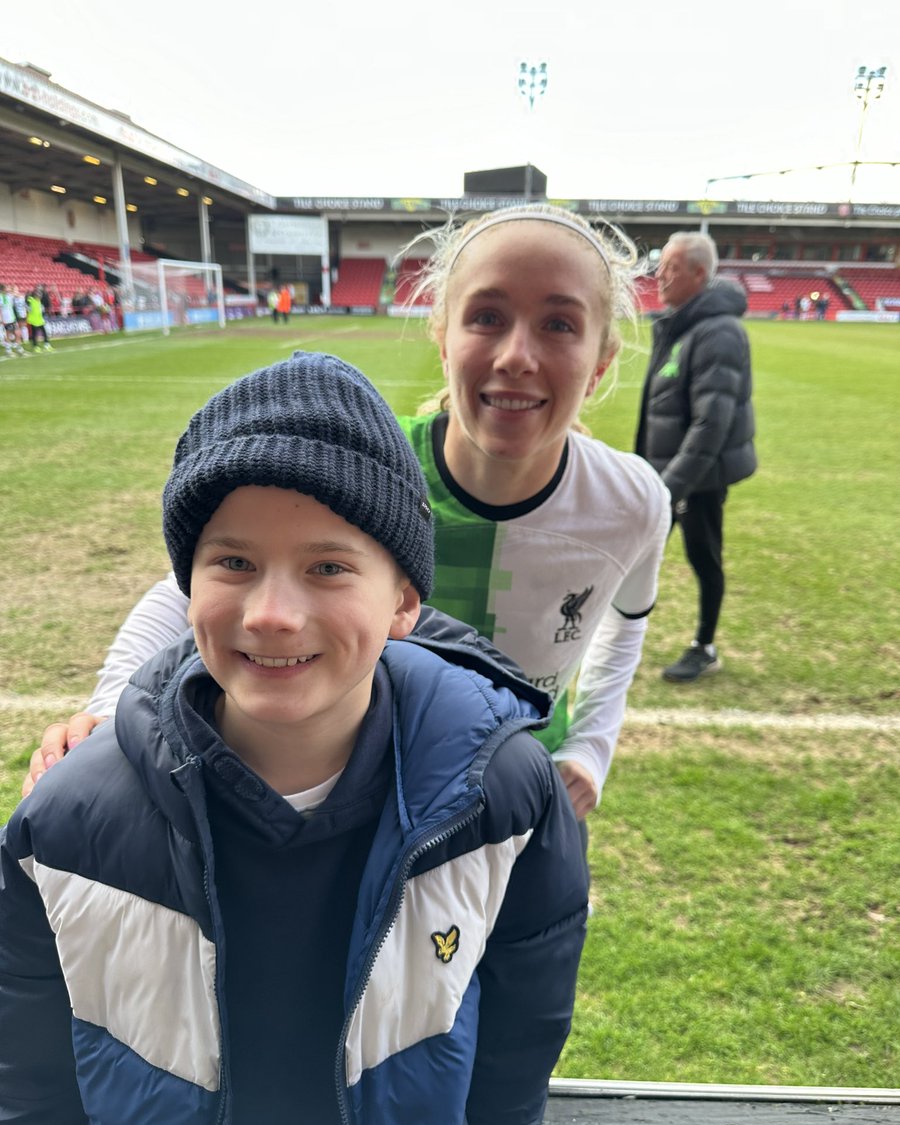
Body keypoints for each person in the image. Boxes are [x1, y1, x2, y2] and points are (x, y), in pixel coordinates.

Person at [0, 352, 588, 1125]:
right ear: (187, 581)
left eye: (328, 567)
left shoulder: (506, 801)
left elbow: (515, 1059)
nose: (272, 613)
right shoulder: (63, 828)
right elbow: (29, 1094)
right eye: (233, 562)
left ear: (402, 602)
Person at [23, 204, 671, 825]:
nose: (515, 356)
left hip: (522, 784)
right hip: (361, 789)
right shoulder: (361, 468)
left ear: (600, 363)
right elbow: (191, 588)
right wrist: (109, 710)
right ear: (442, 337)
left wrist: (591, 745)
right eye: (487, 317)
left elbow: (628, 620)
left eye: (559, 324)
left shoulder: (633, 502)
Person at [635, 231, 756, 682]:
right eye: (660, 265)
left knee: (704, 558)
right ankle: (617, 637)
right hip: (667, 473)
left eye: (671, 267)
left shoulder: (719, 332)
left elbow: (711, 423)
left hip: (695, 477)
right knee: (637, 556)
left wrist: (671, 489)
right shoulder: (681, 325)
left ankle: (704, 647)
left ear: (699, 274)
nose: (660, 275)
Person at [0, 284, 26, 356]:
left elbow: (18, 295)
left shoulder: (9, 295)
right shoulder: (1, 297)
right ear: (2, 289)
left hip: (12, 318)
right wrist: (1, 319)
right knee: (8, 334)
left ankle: (19, 348)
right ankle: (8, 350)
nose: (8, 289)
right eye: (6, 288)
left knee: (17, 333)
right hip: (6, 319)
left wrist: (14, 292)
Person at [25, 287, 53, 352]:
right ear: (35, 295)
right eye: (38, 295)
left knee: (45, 333)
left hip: (40, 320)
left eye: (40, 295)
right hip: (33, 320)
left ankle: (47, 345)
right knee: (34, 334)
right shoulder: (31, 300)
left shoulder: (39, 301)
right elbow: (26, 302)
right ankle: (35, 346)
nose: (39, 296)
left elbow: (41, 310)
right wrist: (28, 296)